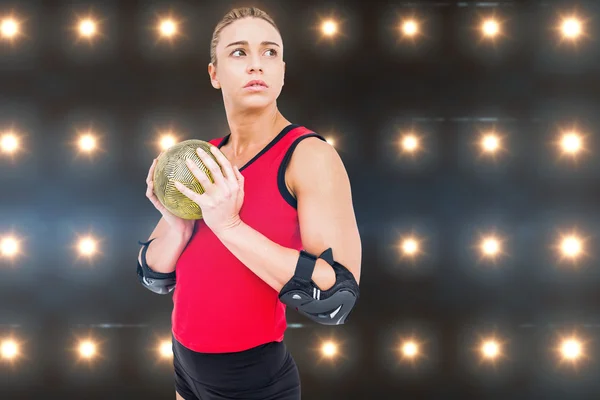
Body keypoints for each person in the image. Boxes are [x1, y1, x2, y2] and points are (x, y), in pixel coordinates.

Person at [137, 7, 362, 400]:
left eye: (270, 52)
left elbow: (336, 297)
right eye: (239, 53)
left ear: (282, 71)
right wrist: (177, 226)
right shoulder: (202, 158)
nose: (257, 64)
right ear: (214, 73)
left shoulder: (307, 155)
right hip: (184, 369)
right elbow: (153, 276)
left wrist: (229, 227)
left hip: (253, 381)